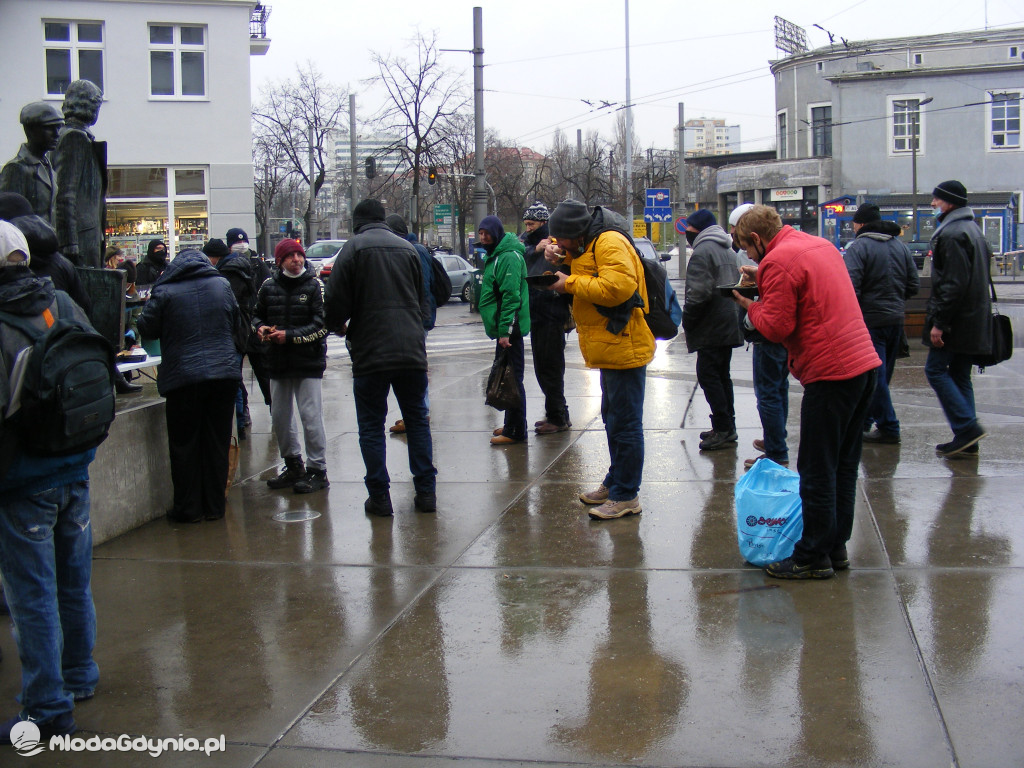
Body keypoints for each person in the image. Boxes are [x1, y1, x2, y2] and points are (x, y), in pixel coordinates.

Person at [731, 205, 879, 579]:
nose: (751, 257)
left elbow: (776, 327)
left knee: (816, 470)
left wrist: (749, 305)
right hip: (863, 365)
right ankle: (835, 546)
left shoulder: (776, 261)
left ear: (756, 238)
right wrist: (764, 278)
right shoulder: (818, 245)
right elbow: (804, 286)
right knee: (842, 466)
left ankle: (811, 556)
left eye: (747, 249)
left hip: (830, 373)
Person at [0, 220, 98, 743]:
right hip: (74, 464)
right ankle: (80, 673)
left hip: (23, 479)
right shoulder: (59, 302)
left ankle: (46, 706)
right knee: (73, 581)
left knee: (32, 595)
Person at [324, 199, 436, 516]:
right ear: (383, 219)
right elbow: (423, 299)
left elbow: (334, 299)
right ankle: (426, 492)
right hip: (411, 350)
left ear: (357, 222)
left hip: (370, 351)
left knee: (372, 426)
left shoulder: (352, 249)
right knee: (417, 421)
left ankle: (380, 497)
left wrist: (338, 325)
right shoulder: (408, 249)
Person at [544, 200, 655, 520]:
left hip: (624, 343)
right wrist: (561, 257)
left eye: (562, 240)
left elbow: (618, 287)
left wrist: (568, 283)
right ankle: (616, 481)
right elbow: (591, 266)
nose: (560, 244)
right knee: (613, 418)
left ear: (576, 232)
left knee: (626, 424)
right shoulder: (591, 242)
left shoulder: (609, 241)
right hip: (612, 344)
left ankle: (626, 495)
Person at [136, 250, 242, 522]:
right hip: (223, 375)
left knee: (184, 444)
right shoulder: (221, 285)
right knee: (217, 442)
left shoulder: (165, 290)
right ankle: (215, 506)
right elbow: (235, 322)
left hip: (183, 377)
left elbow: (147, 327)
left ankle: (188, 508)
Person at [254, 238, 330, 494]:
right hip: (277, 362)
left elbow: (322, 325)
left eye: (299, 255)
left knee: (311, 416)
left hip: (308, 362)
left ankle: (317, 469)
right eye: (290, 256)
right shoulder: (268, 286)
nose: (296, 260)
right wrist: (260, 328)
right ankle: (293, 465)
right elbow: (256, 315)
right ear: (279, 261)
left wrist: (289, 336)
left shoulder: (315, 285)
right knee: (280, 417)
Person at [924, 180, 992, 457]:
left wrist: (940, 323)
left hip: (956, 321)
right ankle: (967, 439)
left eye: (937, 199)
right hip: (973, 318)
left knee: (935, 370)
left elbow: (952, 284)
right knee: (961, 375)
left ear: (950, 202)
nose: (932, 203)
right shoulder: (973, 229)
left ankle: (967, 428)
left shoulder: (952, 233)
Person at [843, 203, 919, 444]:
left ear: (861, 224)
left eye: (854, 223)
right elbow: (913, 285)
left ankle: (888, 426)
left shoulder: (859, 247)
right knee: (881, 377)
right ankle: (864, 422)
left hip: (870, 321)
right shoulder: (900, 246)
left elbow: (850, 287)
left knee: (873, 378)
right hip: (895, 320)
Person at [681, 208, 744, 451]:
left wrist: (688, 320)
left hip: (711, 325)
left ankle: (723, 428)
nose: (687, 234)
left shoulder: (703, 251)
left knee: (709, 377)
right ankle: (727, 425)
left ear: (697, 230)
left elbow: (697, 294)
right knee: (722, 376)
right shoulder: (726, 248)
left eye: (689, 230)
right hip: (728, 322)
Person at [478, 215, 531, 446]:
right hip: (506, 327)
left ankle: (516, 430)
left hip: (510, 329)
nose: (483, 237)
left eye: (487, 233)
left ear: (496, 233)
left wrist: (505, 331)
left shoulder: (507, 257)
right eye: (480, 233)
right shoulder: (498, 255)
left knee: (513, 379)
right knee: (509, 376)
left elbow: (511, 296)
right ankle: (512, 424)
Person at [521, 201, 573, 435]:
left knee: (550, 368)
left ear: (543, 223)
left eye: (532, 224)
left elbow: (565, 270)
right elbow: (521, 256)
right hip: (539, 313)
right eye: (526, 224)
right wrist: (534, 249)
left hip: (550, 313)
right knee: (543, 367)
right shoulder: (528, 243)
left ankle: (558, 416)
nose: (528, 228)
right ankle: (557, 413)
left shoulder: (556, 244)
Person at [384, 213, 434, 436]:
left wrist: (419, 316)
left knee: (415, 367)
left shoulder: (413, 251)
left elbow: (422, 287)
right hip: (417, 316)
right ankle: (417, 412)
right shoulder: (414, 249)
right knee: (414, 366)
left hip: (416, 318)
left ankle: (420, 412)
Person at [204, 237, 255, 439]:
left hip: (234, 333)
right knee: (235, 379)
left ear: (214, 257)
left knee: (232, 381)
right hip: (239, 331)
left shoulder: (228, 274)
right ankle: (240, 421)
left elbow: (226, 307)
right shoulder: (236, 269)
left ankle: (239, 425)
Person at [52, 80, 106, 269]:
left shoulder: (73, 135)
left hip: (85, 232)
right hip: (82, 235)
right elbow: (65, 193)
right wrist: (69, 242)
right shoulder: (73, 136)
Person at [226, 227, 272, 416]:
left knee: (264, 373)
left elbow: (268, 290)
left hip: (256, 327)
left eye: (243, 241)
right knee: (235, 377)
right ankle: (243, 411)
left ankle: (274, 407)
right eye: (236, 242)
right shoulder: (226, 266)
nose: (241, 245)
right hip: (237, 329)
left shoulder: (258, 264)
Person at [0, 102, 63, 222]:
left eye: (58, 127)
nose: (56, 134)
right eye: (49, 128)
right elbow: (9, 217)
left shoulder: (47, 165)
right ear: (30, 130)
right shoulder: (16, 168)